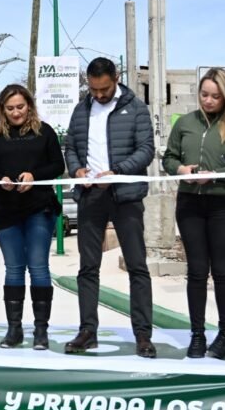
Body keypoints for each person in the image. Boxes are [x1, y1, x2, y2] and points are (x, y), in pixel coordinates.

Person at [162, 68, 225, 360]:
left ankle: (224, 334)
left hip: (223, 206)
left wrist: (214, 175)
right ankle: (197, 334)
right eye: (204, 94)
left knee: (222, 271)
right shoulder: (185, 123)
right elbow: (169, 157)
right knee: (196, 271)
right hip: (190, 204)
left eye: (215, 96)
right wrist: (180, 169)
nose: (208, 100)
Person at [63, 57, 156, 357]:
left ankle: (142, 335)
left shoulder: (136, 108)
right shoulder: (81, 110)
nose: (99, 95)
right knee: (88, 268)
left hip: (125, 196)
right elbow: (71, 147)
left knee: (137, 266)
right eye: (93, 89)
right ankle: (87, 331)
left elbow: (146, 150)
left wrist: (116, 171)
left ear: (116, 78)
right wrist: (77, 170)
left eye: (104, 89)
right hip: (90, 196)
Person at [0, 84, 64, 350]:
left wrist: (34, 175)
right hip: (6, 210)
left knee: (38, 266)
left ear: (29, 105)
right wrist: (1, 180)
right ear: (2, 110)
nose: (16, 113)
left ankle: (41, 331)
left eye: (20, 106)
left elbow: (57, 166)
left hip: (39, 207)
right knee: (14, 268)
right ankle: (14, 330)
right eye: (10, 108)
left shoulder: (45, 132)